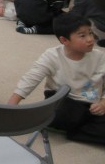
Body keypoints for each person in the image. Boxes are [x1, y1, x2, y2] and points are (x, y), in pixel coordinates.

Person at [7, 13, 105, 146]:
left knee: (87, 117)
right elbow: (32, 77)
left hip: (91, 104)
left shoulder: (100, 57)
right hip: (63, 100)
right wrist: (12, 104)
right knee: (62, 113)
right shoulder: (52, 56)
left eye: (91, 33)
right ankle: (79, 126)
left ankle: (76, 131)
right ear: (64, 40)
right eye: (82, 36)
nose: (90, 39)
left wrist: (103, 103)